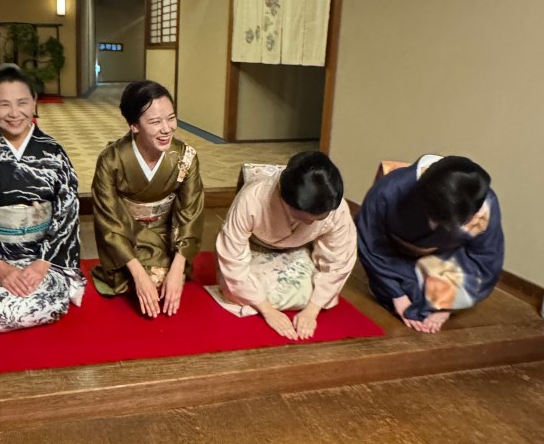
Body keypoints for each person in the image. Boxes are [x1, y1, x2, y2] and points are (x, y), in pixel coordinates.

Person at [0, 64, 84, 338]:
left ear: (34, 101)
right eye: (4, 104)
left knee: (43, 302)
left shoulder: (54, 153)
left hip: (43, 259)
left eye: (22, 103)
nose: (14, 113)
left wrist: (43, 263)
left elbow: (67, 213)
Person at [212, 152, 357, 340]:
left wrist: (312, 311)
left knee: (309, 294)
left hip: (299, 248)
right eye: (303, 218)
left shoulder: (336, 208)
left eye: (318, 219)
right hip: (254, 246)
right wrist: (268, 311)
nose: (311, 224)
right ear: (282, 197)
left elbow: (340, 257)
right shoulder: (253, 199)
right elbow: (232, 258)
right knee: (234, 290)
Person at [91, 80, 205, 317]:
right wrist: (139, 274)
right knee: (142, 281)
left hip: (167, 237)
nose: (166, 129)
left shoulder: (185, 158)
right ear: (134, 125)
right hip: (127, 235)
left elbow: (190, 215)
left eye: (171, 118)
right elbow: (109, 221)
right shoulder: (111, 160)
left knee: (165, 279)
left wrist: (178, 268)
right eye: (154, 122)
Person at [356, 154, 505, 333]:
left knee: (434, 299)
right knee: (404, 298)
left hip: (447, 257)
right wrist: (397, 295)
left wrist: (447, 303)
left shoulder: (483, 203)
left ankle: (436, 297)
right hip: (395, 254)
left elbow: (486, 258)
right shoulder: (389, 191)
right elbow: (370, 243)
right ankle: (395, 287)